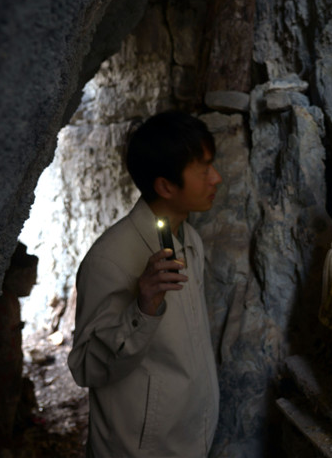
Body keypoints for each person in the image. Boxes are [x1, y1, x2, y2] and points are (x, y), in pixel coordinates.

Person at [68, 110, 223, 458]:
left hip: (188, 440)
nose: (217, 178)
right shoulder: (109, 259)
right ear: (166, 186)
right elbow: (85, 368)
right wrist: (142, 309)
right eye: (203, 169)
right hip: (138, 449)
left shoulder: (191, 242)